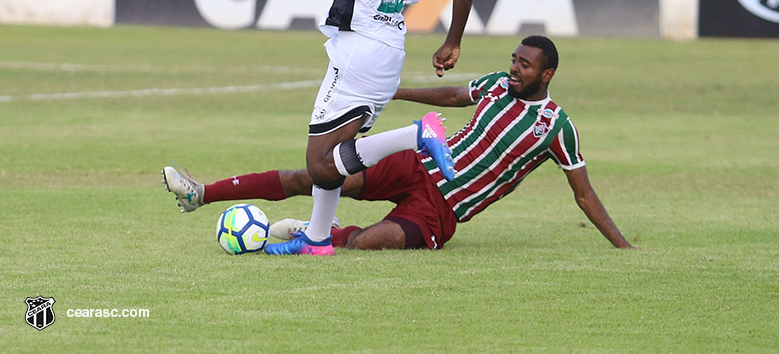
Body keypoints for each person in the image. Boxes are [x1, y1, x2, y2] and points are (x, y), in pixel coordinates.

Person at [163, 0, 476, 256]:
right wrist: (452, 41)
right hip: (390, 48)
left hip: (359, 44)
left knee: (319, 163)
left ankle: (416, 134)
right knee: (332, 161)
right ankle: (317, 240)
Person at [162, 36, 635, 251]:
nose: (514, 68)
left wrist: (621, 245)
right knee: (315, 175)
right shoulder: (494, 85)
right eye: (513, 60)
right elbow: (451, 94)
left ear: (546, 74)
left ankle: (313, 236)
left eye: (525, 65)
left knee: (369, 243)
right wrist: (394, 92)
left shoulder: (556, 126)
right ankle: (203, 193)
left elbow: (584, 193)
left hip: (442, 211)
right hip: (416, 166)